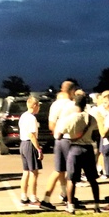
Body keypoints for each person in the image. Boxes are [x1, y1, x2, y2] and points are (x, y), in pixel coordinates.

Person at [59, 93, 106, 214]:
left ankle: (71, 207)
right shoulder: (91, 118)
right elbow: (96, 134)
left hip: (74, 149)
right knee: (92, 179)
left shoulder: (70, 118)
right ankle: (96, 205)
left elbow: (59, 135)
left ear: (75, 103)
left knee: (71, 179)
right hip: (88, 149)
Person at [40, 80, 77, 210]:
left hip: (58, 139)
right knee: (72, 171)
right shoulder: (73, 105)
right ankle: (70, 200)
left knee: (58, 170)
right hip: (69, 139)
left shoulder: (55, 104)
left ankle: (47, 199)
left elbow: (51, 125)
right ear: (72, 91)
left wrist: (57, 134)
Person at [18, 95, 43, 207]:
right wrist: (38, 149)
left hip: (23, 144)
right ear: (34, 105)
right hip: (29, 144)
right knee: (34, 172)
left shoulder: (23, 116)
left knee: (26, 171)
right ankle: (33, 197)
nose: (39, 108)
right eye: (38, 106)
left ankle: (24, 196)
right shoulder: (32, 118)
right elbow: (32, 135)